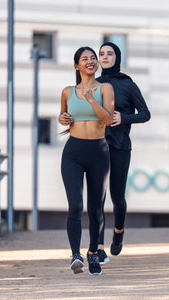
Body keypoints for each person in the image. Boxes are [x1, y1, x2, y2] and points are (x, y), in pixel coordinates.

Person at [58, 46, 114, 275]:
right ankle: (75, 255)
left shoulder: (105, 88)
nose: (91, 61)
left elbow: (109, 119)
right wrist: (62, 118)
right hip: (73, 152)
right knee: (75, 206)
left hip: (98, 152)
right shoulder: (67, 91)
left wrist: (92, 100)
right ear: (76, 65)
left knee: (95, 208)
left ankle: (93, 253)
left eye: (93, 58)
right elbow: (64, 118)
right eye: (85, 59)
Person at [95, 42, 151, 264]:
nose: (105, 57)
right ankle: (97, 246)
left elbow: (146, 114)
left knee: (117, 197)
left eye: (109, 54)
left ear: (117, 57)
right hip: (96, 146)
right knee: (97, 197)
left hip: (120, 145)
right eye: (101, 54)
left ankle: (118, 232)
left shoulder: (127, 85)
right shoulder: (93, 84)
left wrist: (124, 118)